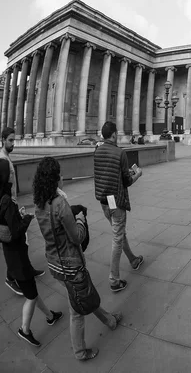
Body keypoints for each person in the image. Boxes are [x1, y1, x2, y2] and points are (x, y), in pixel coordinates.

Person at [34, 157, 121, 360]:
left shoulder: (39, 204)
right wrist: (80, 219)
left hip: (55, 264)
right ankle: (80, 351)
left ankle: (109, 320)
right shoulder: (59, 204)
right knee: (77, 310)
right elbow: (77, 237)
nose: (62, 177)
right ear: (55, 179)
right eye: (60, 175)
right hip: (71, 266)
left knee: (82, 295)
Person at [0, 158, 62, 348]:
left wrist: (16, 217)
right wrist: (26, 218)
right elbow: (17, 231)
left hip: (10, 254)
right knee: (31, 296)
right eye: (8, 173)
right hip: (18, 257)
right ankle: (24, 330)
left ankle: (50, 316)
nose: (11, 174)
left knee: (32, 291)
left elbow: (7, 226)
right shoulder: (6, 201)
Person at [94, 122, 144, 293]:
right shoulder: (120, 153)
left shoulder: (97, 151)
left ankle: (133, 260)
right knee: (117, 238)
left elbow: (108, 173)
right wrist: (137, 174)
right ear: (114, 135)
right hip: (116, 202)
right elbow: (127, 181)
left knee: (119, 233)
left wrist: (123, 173)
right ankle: (114, 279)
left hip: (103, 201)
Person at [1, 127, 44, 296]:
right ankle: (11, 278)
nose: (13, 143)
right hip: (6, 209)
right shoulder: (2, 160)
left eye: (14, 140)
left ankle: (28, 269)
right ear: (3, 139)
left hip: (11, 206)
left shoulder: (6, 158)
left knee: (22, 242)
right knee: (12, 242)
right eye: (10, 140)